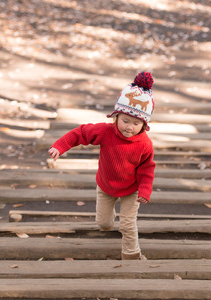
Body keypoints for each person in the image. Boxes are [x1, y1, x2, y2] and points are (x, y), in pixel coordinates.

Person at [48, 72, 156, 260]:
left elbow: (147, 169)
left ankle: (131, 256)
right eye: (125, 121)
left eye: (136, 123)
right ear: (116, 116)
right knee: (104, 224)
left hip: (131, 189)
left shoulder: (145, 144)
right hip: (106, 186)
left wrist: (145, 191)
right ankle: (108, 219)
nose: (129, 127)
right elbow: (80, 133)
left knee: (127, 225)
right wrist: (60, 146)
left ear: (144, 124)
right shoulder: (106, 132)